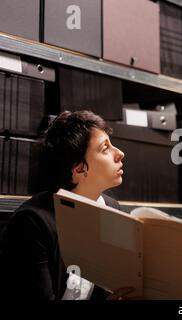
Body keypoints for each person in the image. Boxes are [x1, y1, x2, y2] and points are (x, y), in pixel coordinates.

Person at [0, 110, 133, 300]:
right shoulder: (32, 223)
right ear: (79, 170)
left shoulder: (111, 208)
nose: (120, 153)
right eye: (105, 148)